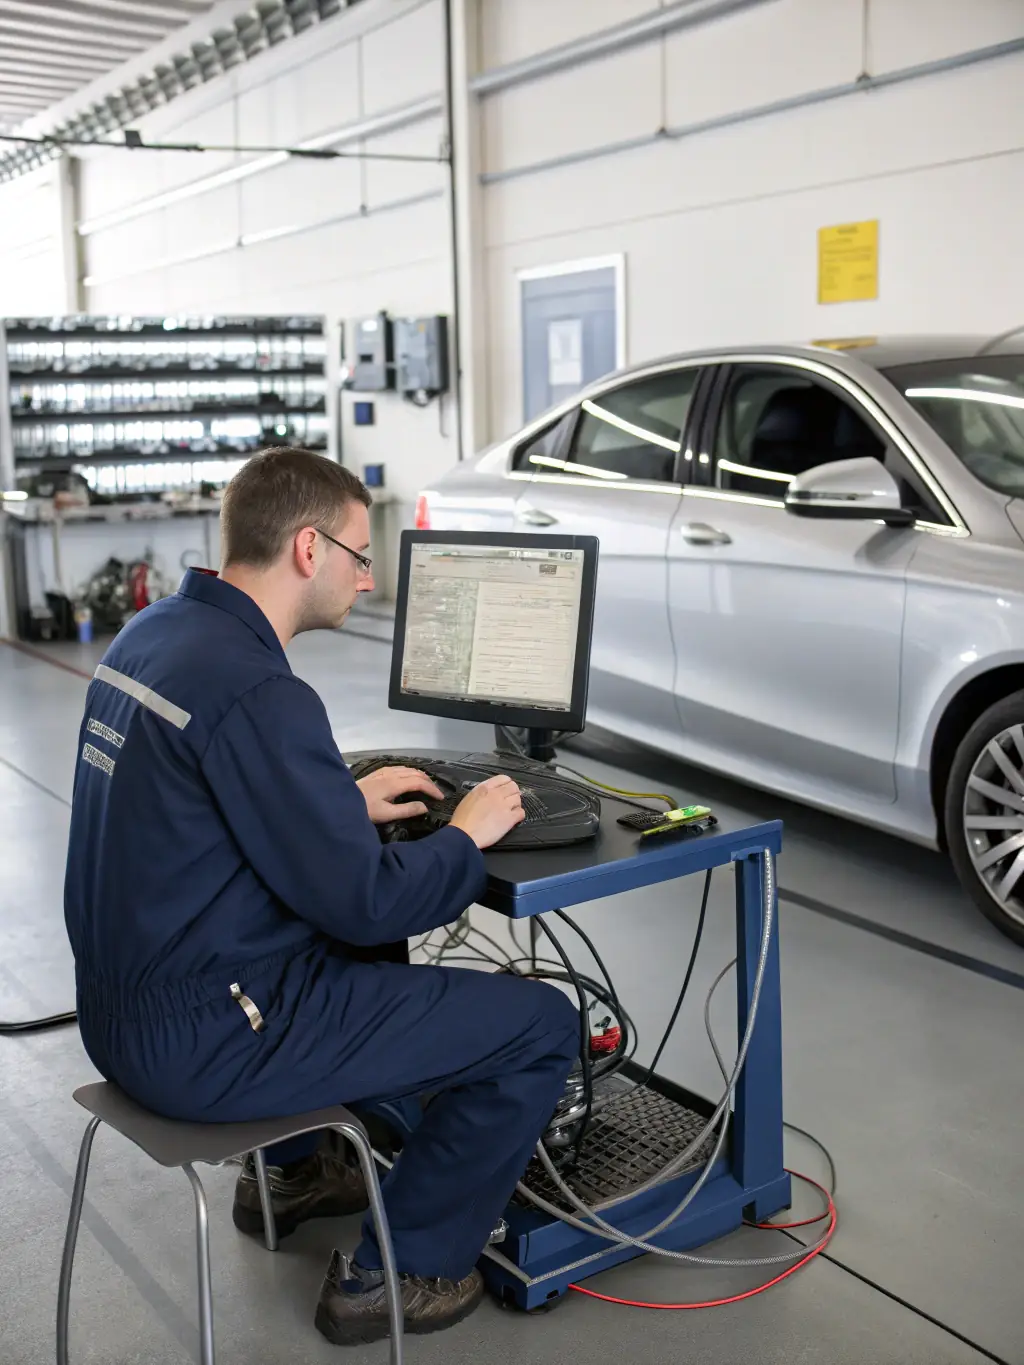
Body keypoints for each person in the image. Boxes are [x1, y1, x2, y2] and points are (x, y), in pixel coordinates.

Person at [63, 446, 580, 1345]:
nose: (367, 572)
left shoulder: (154, 636)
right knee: (539, 1025)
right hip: (208, 1037)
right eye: (358, 551)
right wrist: (467, 834)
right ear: (309, 548)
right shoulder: (258, 687)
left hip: (122, 1009)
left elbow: (204, 818)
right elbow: (369, 903)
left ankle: (300, 1175)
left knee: (357, 952)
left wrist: (338, 803)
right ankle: (403, 1266)